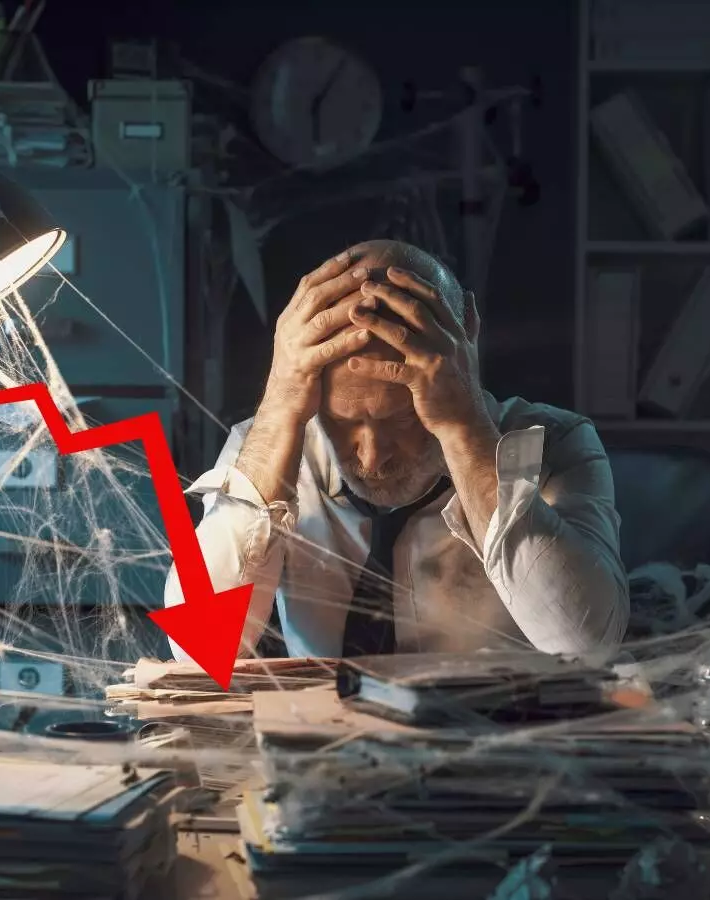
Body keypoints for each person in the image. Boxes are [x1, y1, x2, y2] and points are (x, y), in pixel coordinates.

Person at [162, 240, 629, 659]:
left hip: (496, 743)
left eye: (404, 419)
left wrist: (464, 428)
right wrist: (279, 407)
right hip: (322, 744)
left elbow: (585, 643)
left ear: (467, 349)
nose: (370, 458)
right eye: (343, 423)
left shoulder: (555, 443)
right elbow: (201, 647)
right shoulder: (273, 446)